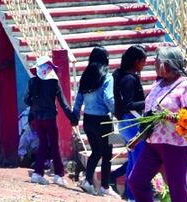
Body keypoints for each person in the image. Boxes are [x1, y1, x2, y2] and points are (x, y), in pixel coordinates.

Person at [126, 46, 187, 202]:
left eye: (156, 60)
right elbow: (151, 112)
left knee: (176, 188)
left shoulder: (185, 86)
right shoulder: (158, 84)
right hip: (153, 142)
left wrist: (173, 117)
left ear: (166, 64)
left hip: (174, 144)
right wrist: (139, 137)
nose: (154, 63)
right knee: (136, 181)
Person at [24, 56, 76, 186]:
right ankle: (58, 174)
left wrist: (35, 105)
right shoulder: (54, 82)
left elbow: (26, 100)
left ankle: (37, 173)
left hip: (37, 118)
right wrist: (73, 118)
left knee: (42, 144)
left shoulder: (32, 82)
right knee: (54, 145)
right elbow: (64, 104)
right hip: (50, 118)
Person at [72, 46, 115, 196]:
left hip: (88, 120)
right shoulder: (107, 77)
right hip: (103, 120)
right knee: (107, 154)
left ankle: (88, 181)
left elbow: (78, 100)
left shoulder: (85, 77)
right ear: (106, 60)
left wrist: (74, 116)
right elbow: (108, 98)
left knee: (95, 152)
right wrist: (118, 112)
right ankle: (105, 187)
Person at [113, 45, 148, 198]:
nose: (144, 65)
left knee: (133, 163)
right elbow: (128, 104)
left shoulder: (122, 75)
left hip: (126, 124)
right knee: (139, 164)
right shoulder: (129, 79)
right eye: (143, 61)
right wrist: (149, 102)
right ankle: (134, 196)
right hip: (131, 124)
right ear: (136, 61)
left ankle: (130, 196)